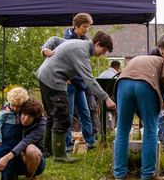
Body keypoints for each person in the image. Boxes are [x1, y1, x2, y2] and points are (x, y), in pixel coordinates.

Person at [36, 30, 116, 163]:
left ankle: (47, 152)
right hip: (53, 80)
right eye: (104, 49)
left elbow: (55, 39)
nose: (103, 54)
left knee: (51, 116)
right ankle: (59, 156)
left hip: (44, 76)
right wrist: (106, 98)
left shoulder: (78, 43)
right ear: (97, 44)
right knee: (62, 118)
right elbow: (89, 80)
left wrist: (45, 48)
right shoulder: (82, 52)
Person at [113, 55, 164, 180]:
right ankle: (147, 174)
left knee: (122, 130)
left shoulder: (138, 58)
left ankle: (119, 173)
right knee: (151, 129)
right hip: (145, 85)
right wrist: (163, 97)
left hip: (122, 84)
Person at [43, 13, 97, 153]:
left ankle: (90, 140)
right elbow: (57, 55)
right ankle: (67, 144)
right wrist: (44, 50)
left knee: (85, 112)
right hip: (69, 83)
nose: (87, 30)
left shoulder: (85, 40)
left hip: (81, 84)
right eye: (84, 27)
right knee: (68, 113)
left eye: (88, 27)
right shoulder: (66, 39)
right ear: (76, 26)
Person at [0, 87, 29, 180]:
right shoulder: (4, 112)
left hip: (14, 143)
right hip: (2, 142)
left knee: (9, 162)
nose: (16, 108)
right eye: (14, 106)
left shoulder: (22, 112)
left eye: (18, 106)